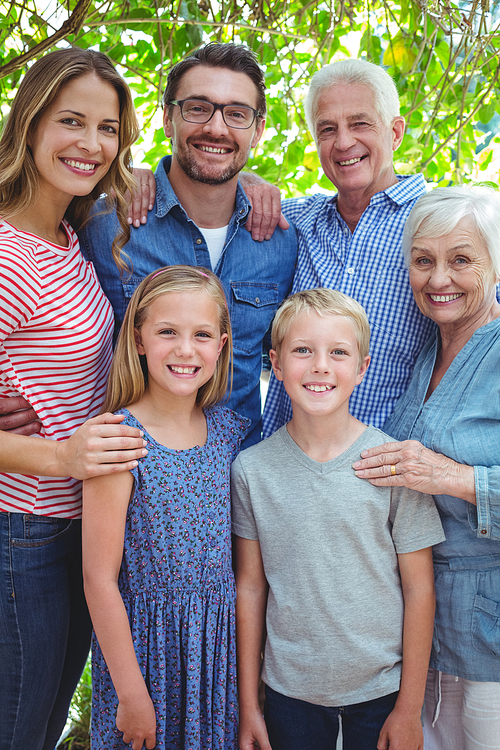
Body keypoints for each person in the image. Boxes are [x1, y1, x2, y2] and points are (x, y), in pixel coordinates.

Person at [0, 48, 149, 750]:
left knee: (43, 726)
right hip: (18, 531)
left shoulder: (67, 236)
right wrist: (58, 454)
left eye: (109, 128)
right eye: (71, 121)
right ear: (29, 124)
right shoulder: (7, 250)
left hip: (69, 528)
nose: (92, 144)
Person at [231, 288, 445, 750]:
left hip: (381, 691)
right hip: (289, 692)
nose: (320, 366)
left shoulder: (392, 464)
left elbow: (419, 587)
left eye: (338, 352)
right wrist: (249, 704)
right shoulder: (252, 470)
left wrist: (409, 710)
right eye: (303, 350)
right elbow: (250, 586)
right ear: (276, 361)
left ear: (363, 367)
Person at [78, 43, 297, 447]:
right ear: (167, 118)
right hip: (131, 484)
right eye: (198, 108)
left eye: (237, 114)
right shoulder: (106, 222)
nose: (216, 128)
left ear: (258, 130)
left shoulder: (280, 240)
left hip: (238, 488)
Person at [352, 186, 500, 749]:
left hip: (490, 631)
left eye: (461, 259)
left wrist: (451, 477)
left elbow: (436, 472)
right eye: (423, 261)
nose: (439, 279)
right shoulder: (424, 355)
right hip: (422, 635)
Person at [83, 265, 248, 750]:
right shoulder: (120, 442)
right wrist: (131, 693)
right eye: (167, 332)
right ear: (138, 340)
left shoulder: (227, 433)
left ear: (220, 345)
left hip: (214, 660)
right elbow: (98, 579)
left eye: (201, 335)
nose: (184, 349)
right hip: (143, 657)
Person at [241, 58, 437, 434]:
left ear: (395, 133)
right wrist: (137, 181)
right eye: (327, 129)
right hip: (279, 470)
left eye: (360, 123)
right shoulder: (295, 222)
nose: (344, 142)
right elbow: (213, 196)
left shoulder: (440, 225)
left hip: (381, 478)